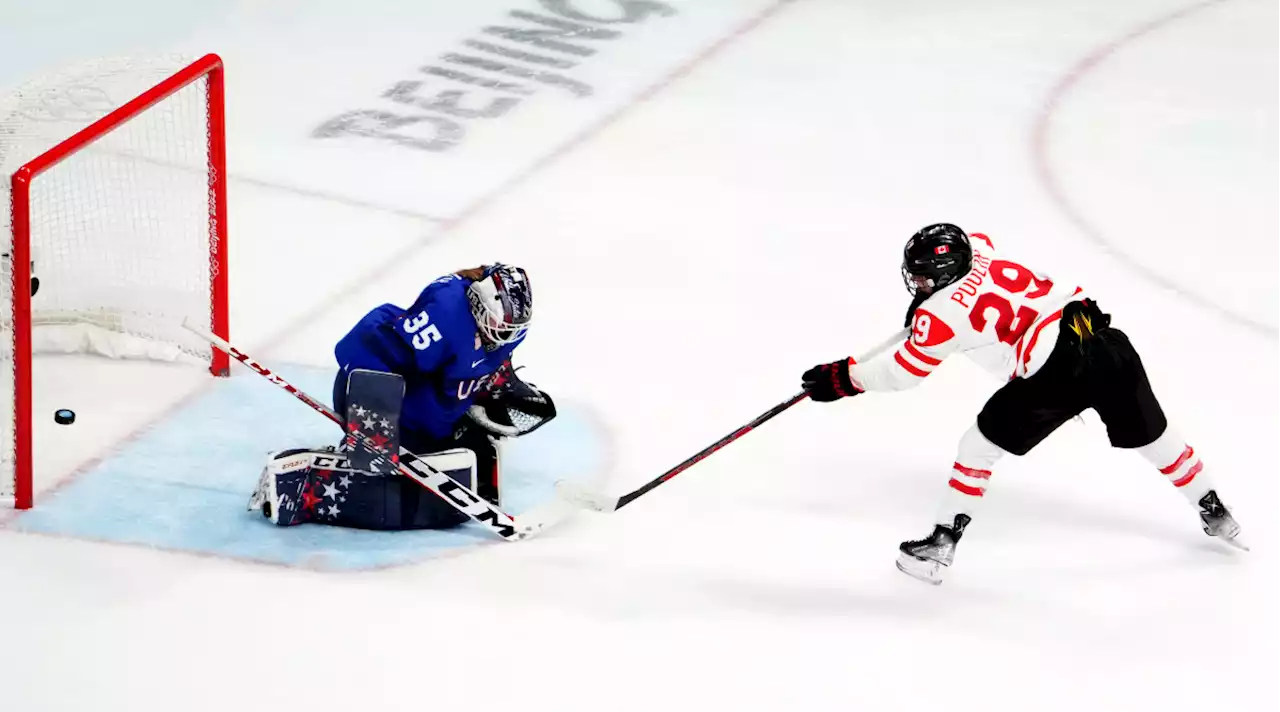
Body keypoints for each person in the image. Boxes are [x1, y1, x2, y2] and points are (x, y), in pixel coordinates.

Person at [801, 224, 1244, 584]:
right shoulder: (980, 249)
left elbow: (902, 373)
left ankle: (940, 544)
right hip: (1100, 335)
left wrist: (846, 378)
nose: (916, 283)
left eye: (922, 277)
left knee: (977, 448)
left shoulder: (940, 317)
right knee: (1155, 437)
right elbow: (977, 245)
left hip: (1056, 371)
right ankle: (1213, 508)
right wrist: (928, 305)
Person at [248, 263, 556, 530]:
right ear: (478, 304)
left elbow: (484, 362)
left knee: (472, 454)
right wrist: (373, 420)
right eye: (499, 324)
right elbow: (373, 354)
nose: (504, 334)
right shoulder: (445, 317)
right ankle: (314, 477)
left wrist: (495, 385)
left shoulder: (504, 328)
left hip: (429, 413)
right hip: (372, 393)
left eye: (512, 328)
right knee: (385, 487)